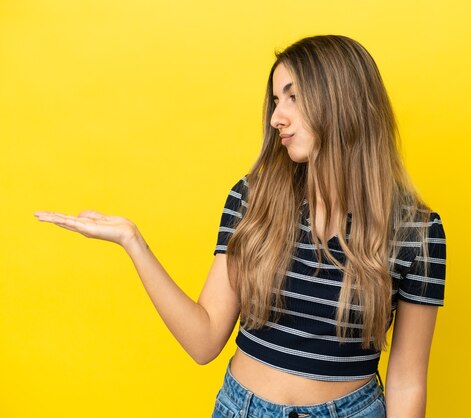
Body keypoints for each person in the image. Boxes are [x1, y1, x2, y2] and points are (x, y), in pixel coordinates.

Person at [35, 34, 446, 418]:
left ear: (342, 100)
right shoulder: (252, 200)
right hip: (242, 407)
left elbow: (408, 381)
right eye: (274, 101)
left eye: (293, 97)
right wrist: (133, 241)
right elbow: (204, 340)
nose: (276, 118)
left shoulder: (418, 232)